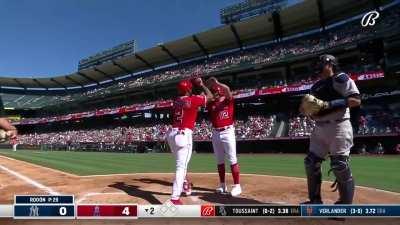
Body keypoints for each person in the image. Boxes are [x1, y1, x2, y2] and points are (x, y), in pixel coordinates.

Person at [300, 54, 361, 204]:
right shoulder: (316, 86)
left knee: (339, 165)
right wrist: (306, 110)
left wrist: (329, 105)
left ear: (330, 64)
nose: (318, 68)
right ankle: (315, 201)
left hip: (339, 125)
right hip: (319, 128)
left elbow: (356, 100)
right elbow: (307, 109)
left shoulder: (341, 78)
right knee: (311, 162)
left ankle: (344, 206)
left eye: (321, 64)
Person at [166, 78, 213, 205]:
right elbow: (210, 97)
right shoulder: (193, 99)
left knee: (180, 164)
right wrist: (202, 85)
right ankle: (174, 198)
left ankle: (185, 184)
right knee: (181, 166)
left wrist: (195, 90)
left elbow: (188, 99)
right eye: (190, 88)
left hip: (171, 134)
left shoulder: (175, 101)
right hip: (183, 135)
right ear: (188, 89)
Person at [206, 77, 241, 196]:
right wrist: (205, 88)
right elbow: (207, 97)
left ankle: (237, 186)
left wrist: (218, 83)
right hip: (215, 133)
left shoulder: (228, 100)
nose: (214, 94)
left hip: (228, 131)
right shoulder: (211, 104)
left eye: (216, 92)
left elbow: (227, 90)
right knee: (219, 161)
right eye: (214, 92)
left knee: (232, 159)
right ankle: (222, 185)